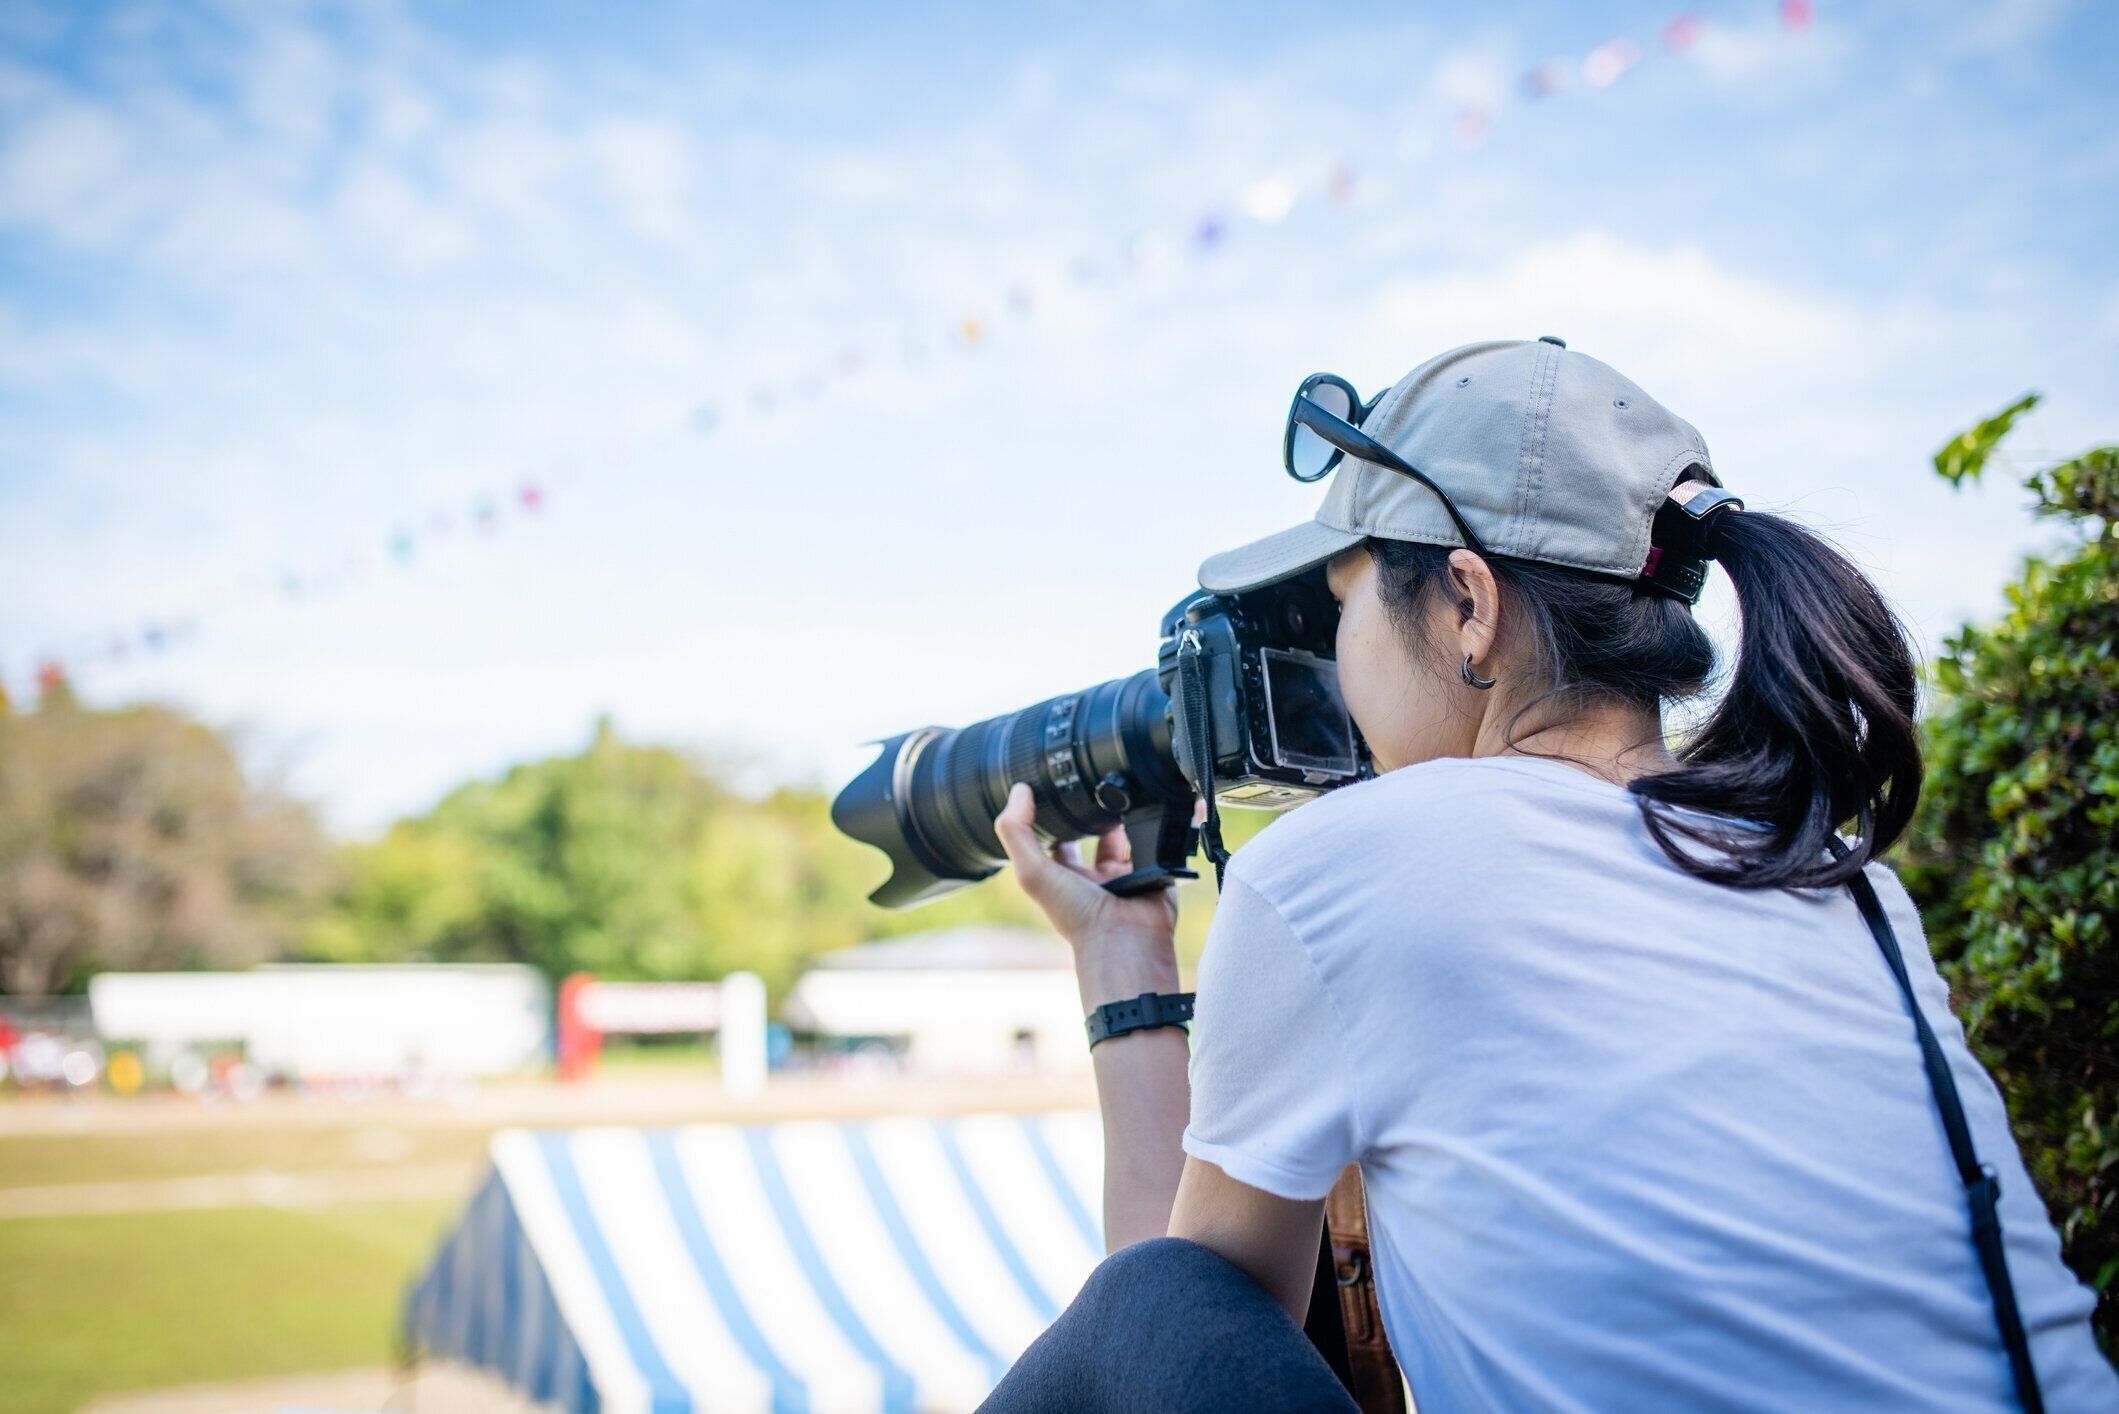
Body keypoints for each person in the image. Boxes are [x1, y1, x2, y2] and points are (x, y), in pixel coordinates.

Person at [978, 338, 2118, 1412]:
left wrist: (1119, 963)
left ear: (1468, 605)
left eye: (1343, 609)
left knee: (1143, 1299)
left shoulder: (1347, 871)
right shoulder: (1835, 878)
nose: (1339, 664)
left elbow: (1175, 1347)